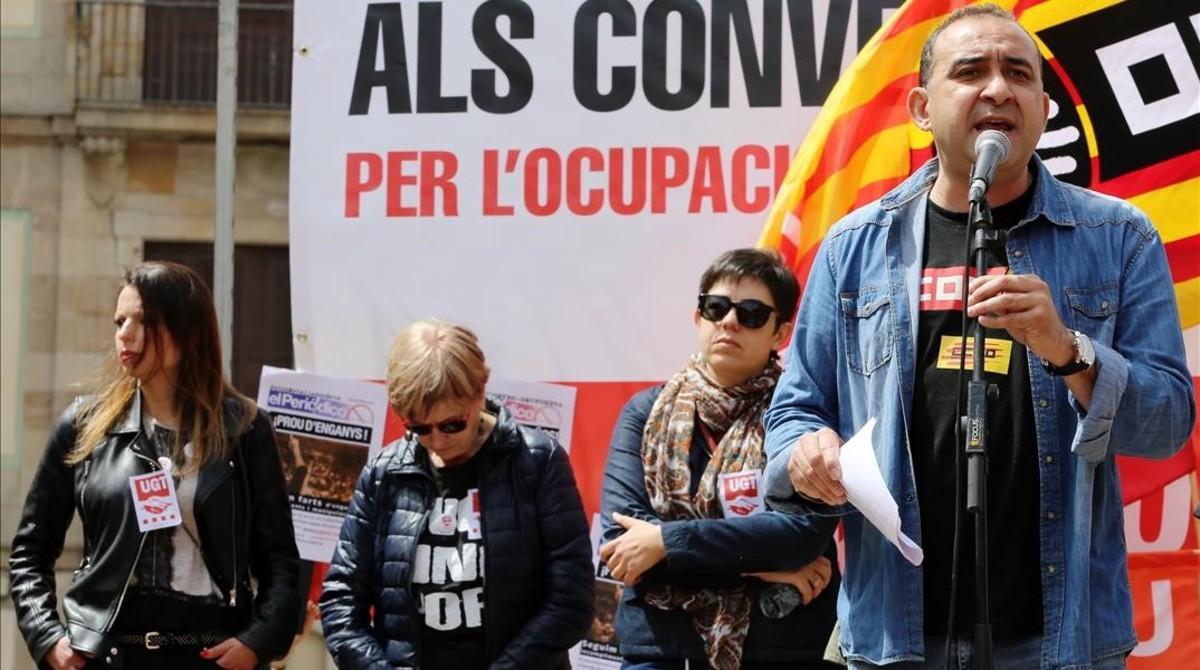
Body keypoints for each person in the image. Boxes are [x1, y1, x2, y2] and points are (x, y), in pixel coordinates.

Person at [762, 5, 1195, 669]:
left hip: (1059, 640)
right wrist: (805, 454)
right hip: (893, 636)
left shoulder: (1117, 239)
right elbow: (796, 413)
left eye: (1018, 74)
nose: (997, 89)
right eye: (970, 72)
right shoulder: (854, 247)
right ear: (921, 108)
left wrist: (1068, 350)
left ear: (1044, 108)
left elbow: (1165, 425)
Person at [10, 261, 301, 670]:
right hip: (106, 652)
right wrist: (50, 640)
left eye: (142, 320)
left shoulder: (244, 430)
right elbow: (29, 553)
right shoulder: (85, 427)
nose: (124, 334)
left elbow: (281, 562)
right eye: (119, 321)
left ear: (188, 330)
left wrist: (256, 643)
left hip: (210, 651)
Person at [600, 248, 840, 670]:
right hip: (661, 649)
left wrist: (664, 542)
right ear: (698, 318)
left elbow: (802, 535)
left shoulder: (802, 416)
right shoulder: (644, 413)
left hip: (778, 649)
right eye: (716, 308)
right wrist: (766, 569)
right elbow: (620, 547)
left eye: (751, 313)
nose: (729, 322)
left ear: (780, 333)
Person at [319, 319, 594, 669]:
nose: (437, 440)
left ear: (481, 390)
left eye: (453, 424)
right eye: (418, 428)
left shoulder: (537, 461)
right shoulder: (383, 474)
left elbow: (571, 600)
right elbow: (341, 601)